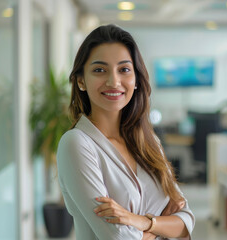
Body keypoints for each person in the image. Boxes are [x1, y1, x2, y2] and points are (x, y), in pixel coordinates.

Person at [57, 24, 195, 240]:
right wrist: (160, 228)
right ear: (81, 80)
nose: (114, 82)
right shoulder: (76, 144)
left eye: (124, 69)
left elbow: (186, 220)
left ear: (137, 79)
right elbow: (118, 238)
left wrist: (141, 222)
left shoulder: (149, 142)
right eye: (99, 70)